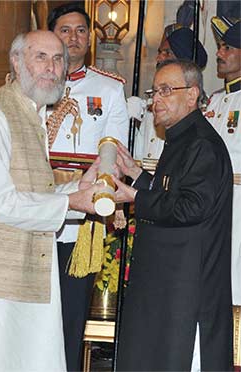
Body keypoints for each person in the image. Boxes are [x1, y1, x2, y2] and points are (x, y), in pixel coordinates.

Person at [0, 30, 105, 372]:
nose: (51, 68)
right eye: (40, 57)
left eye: (57, 59)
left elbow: (29, 191)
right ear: (16, 62)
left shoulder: (31, 113)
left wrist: (77, 189)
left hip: (13, 273)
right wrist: (72, 203)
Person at [113, 59, 233, 371]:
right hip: (166, 283)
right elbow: (172, 192)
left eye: (167, 90)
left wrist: (136, 196)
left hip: (186, 288)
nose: (157, 100)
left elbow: (191, 206)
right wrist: (137, 176)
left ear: (192, 95)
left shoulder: (202, 144)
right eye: (155, 92)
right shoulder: (181, 138)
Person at [47, 3, 129, 371]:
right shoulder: (30, 82)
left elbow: (112, 147)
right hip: (36, 205)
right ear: (52, 34)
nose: (74, 37)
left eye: (81, 30)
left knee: (70, 312)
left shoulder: (109, 88)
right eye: (65, 30)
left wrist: (101, 192)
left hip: (82, 214)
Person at [206, 16, 241, 368]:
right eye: (220, 46)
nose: (221, 53)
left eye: (229, 47)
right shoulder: (214, 101)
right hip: (215, 210)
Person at [127, 24, 207, 173]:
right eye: (159, 52)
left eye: (167, 52)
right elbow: (139, 152)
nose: (159, 58)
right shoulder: (152, 103)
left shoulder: (201, 107)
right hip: (144, 186)